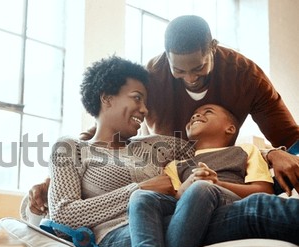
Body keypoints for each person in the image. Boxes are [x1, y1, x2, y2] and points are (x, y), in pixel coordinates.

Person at [27, 14, 299, 215]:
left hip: (224, 173)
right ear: (167, 57)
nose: (190, 78)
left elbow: (290, 137)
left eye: (198, 68)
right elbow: (107, 127)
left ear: (212, 47)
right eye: (179, 71)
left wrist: (273, 153)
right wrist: (55, 179)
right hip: (165, 179)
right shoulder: (153, 77)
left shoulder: (244, 75)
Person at [47, 55, 193, 247]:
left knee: (258, 207)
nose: (145, 110)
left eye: (146, 102)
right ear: (107, 98)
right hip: (120, 235)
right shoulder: (71, 148)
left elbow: (198, 149)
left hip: (173, 216)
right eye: (137, 98)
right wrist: (140, 189)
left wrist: (270, 153)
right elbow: (64, 214)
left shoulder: (151, 146)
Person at [107, 103, 281, 247]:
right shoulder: (176, 164)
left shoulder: (245, 150)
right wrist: (185, 187)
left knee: (202, 187)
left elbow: (264, 190)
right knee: (141, 196)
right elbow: (175, 199)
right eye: (194, 114)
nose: (197, 115)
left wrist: (217, 183)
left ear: (230, 128)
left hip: (226, 202)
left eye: (207, 112)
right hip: (192, 207)